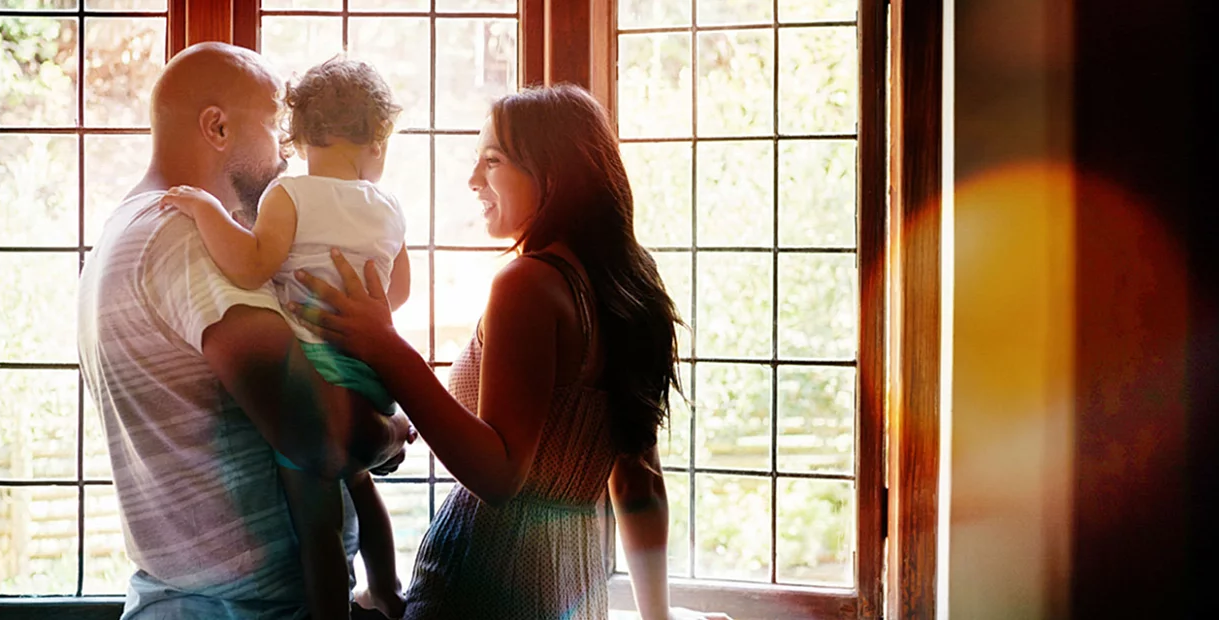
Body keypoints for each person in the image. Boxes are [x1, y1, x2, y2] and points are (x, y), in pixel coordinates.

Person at [289, 85, 729, 620]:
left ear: (552, 172)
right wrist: (656, 617)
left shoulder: (528, 283)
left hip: (484, 580)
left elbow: (498, 477)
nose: (473, 180)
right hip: (576, 581)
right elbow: (639, 484)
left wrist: (386, 348)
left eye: (492, 161)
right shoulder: (629, 285)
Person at [75, 42, 410, 620]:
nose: (289, 152)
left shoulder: (124, 227)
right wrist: (390, 432)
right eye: (276, 127)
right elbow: (321, 439)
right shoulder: (188, 239)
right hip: (243, 609)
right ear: (217, 127)